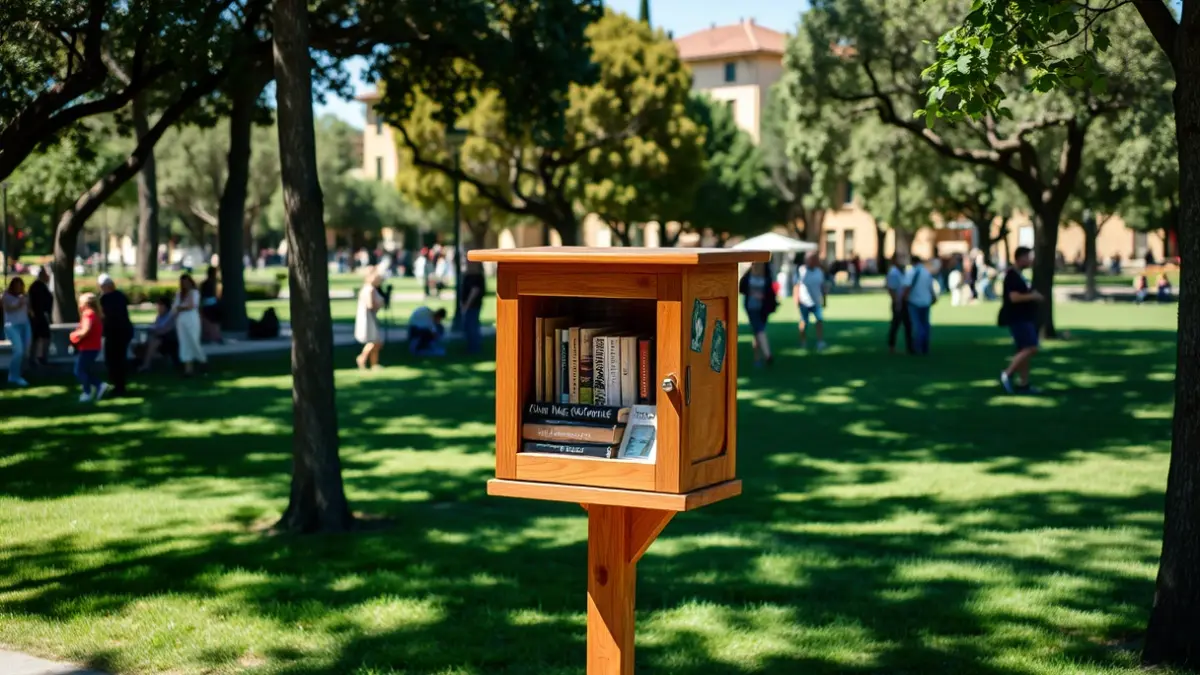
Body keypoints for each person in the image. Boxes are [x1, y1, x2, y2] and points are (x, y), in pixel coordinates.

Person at [999, 246, 1044, 394]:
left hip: (1024, 316)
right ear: (1020, 258)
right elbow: (1013, 297)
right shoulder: (1012, 275)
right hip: (1018, 318)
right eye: (1028, 257)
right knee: (1032, 347)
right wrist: (1033, 296)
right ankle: (1007, 373)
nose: (1030, 260)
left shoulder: (1020, 275)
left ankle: (1024, 384)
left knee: (1023, 349)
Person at [69, 292, 109, 402]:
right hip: (94, 347)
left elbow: (86, 330)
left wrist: (74, 335)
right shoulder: (96, 314)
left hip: (88, 348)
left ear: (85, 304)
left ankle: (88, 391)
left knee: (79, 371)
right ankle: (98, 385)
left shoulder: (88, 314)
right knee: (85, 370)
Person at [98, 274, 134, 397]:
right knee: (118, 359)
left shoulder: (105, 299)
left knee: (114, 360)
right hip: (122, 332)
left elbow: (105, 316)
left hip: (115, 333)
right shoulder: (120, 296)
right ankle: (119, 385)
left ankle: (118, 385)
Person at [739, 260, 778, 367]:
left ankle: (757, 358)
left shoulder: (766, 276)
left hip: (763, 309)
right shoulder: (748, 276)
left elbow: (770, 293)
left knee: (757, 333)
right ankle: (767, 354)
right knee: (760, 330)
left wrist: (764, 296)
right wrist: (752, 293)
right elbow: (742, 288)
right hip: (751, 308)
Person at [171, 274, 207, 376]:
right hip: (181, 320)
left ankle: (202, 360)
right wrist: (179, 309)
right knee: (184, 343)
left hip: (191, 319)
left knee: (193, 340)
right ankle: (188, 369)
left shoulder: (194, 293)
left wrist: (181, 307)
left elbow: (191, 305)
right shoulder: (179, 294)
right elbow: (175, 308)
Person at [902, 255, 937, 355]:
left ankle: (917, 346)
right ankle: (925, 346)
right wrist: (933, 297)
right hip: (925, 301)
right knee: (925, 324)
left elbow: (907, 287)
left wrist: (903, 298)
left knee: (917, 326)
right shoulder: (926, 272)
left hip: (914, 302)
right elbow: (931, 287)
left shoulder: (911, 272)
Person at [794, 252, 828, 351]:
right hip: (804, 301)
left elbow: (822, 286)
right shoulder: (801, 271)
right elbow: (796, 285)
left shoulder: (819, 272)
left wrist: (824, 299)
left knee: (819, 321)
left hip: (816, 301)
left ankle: (820, 342)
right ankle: (803, 342)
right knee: (804, 322)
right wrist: (796, 299)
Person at [3, 277, 31, 387]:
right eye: (16, 285)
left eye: (20, 285)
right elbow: (9, 309)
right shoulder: (6, 296)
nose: (19, 288)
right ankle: (13, 376)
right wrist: (20, 302)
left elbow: (28, 310)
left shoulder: (24, 296)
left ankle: (20, 373)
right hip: (12, 326)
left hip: (25, 325)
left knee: (25, 350)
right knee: (18, 350)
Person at [354, 270, 385, 370]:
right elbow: (370, 305)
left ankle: (374, 363)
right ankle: (362, 358)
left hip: (368, 316)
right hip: (369, 317)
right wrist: (380, 304)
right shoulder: (370, 289)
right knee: (374, 341)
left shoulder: (367, 288)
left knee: (375, 341)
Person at [137, 297, 179, 371]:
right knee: (139, 345)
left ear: (166, 307)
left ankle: (146, 365)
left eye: (160, 306)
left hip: (169, 340)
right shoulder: (159, 316)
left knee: (154, 341)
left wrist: (153, 329)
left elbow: (164, 330)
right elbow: (155, 327)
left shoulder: (171, 316)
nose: (158, 308)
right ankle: (143, 361)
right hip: (158, 338)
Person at [886, 254, 913, 355]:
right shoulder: (893, 273)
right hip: (898, 301)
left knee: (907, 325)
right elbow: (891, 289)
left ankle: (910, 347)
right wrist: (897, 302)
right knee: (896, 325)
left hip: (904, 301)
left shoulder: (903, 271)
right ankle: (892, 346)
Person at [459, 259, 487, 355]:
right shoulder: (468, 275)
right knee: (469, 325)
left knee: (472, 326)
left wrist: (466, 305)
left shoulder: (476, 277)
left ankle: (474, 348)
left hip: (473, 305)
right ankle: (471, 346)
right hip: (467, 305)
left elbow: (475, 291)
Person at [28, 266, 53, 366]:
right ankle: (39, 357)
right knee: (41, 337)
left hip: (37, 316)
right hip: (38, 316)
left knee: (38, 337)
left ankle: (36, 358)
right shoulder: (38, 287)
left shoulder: (37, 286)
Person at [199, 267, 223, 343]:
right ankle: (215, 336)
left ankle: (210, 336)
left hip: (207, 304)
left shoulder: (205, 284)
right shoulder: (214, 283)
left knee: (209, 321)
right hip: (212, 304)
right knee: (214, 322)